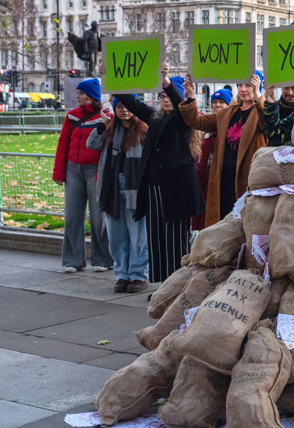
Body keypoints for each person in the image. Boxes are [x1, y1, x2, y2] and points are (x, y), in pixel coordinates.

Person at [108, 64, 205, 284]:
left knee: (175, 240)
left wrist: (167, 82)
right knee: (157, 238)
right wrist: (110, 79)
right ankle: (163, 286)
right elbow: (132, 103)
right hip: (153, 186)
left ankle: (177, 285)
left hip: (177, 189)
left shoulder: (185, 119)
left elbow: (180, 101)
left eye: (168, 95)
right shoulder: (154, 117)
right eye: (161, 95)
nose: (165, 98)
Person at [179, 73, 267, 226]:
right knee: (223, 225)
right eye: (240, 85)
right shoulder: (228, 112)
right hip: (223, 179)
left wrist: (259, 97)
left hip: (247, 179)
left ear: (257, 87)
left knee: (246, 227)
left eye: (249, 85)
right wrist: (191, 96)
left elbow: (268, 122)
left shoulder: (259, 111)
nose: (243, 89)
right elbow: (195, 121)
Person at [88, 97, 149, 293]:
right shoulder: (110, 130)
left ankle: (138, 275)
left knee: (138, 236)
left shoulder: (144, 130)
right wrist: (102, 123)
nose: (124, 110)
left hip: (136, 188)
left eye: (128, 106)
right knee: (116, 237)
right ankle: (122, 274)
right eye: (120, 107)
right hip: (112, 188)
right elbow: (91, 144)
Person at [53, 77, 112, 274]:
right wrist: (59, 172)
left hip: (96, 170)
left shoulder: (106, 116)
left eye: (81, 93)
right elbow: (63, 145)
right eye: (78, 93)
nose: (77, 96)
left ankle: (102, 259)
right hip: (73, 170)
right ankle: (73, 260)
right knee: (72, 217)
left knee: (99, 218)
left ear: (91, 95)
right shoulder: (71, 116)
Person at [190, 89, 232, 231]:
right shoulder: (204, 127)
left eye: (222, 102)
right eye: (215, 102)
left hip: (220, 185)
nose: (218, 105)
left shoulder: (230, 128)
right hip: (203, 185)